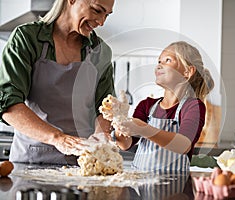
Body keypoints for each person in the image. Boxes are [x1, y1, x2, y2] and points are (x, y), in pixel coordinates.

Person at [0, 0, 115, 165]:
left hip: (81, 164)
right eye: (97, 10)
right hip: (30, 161)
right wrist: (58, 138)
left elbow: (105, 108)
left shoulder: (100, 51)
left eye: (107, 15)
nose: (102, 22)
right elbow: (8, 104)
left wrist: (100, 137)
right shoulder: (28, 39)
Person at [105, 41, 215, 173]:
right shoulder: (146, 105)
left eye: (167, 60)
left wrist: (143, 128)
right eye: (159, 61)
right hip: (140, 185)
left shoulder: (193, 107)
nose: (159, 65)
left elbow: (183, 144)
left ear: (187, 71)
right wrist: (120, 121)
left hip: (175, 186)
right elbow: (125, 144)